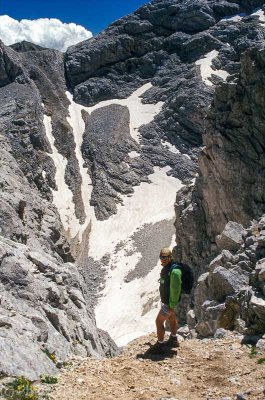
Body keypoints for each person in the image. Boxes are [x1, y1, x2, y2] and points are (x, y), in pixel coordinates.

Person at [150, 247, 182, 354]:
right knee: (172, 318)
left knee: (159, 321)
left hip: (169, 303)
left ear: (170, 257)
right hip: (170, 302)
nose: (163, 259)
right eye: (161, 257)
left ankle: (160, 345)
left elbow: (176, 289)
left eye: (165, 257)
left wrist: (171, 304)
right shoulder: (169, 268)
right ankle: (173, 339)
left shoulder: (174, 271)